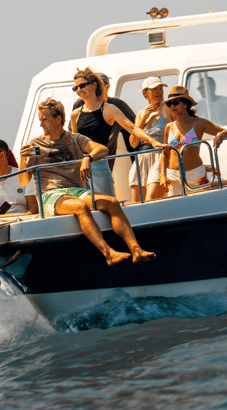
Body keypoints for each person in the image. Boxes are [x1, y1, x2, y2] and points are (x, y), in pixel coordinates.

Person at [21, 98, 155, 266]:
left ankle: (137, 250)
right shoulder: (36, 144)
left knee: (112, 202)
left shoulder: (75, 139)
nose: (41, 124)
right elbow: (24, 181)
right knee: (79, 206)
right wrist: (23, 159)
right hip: (50, 195)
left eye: (44, 119)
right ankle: (108, 253)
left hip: (75, 190)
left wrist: (87, 158)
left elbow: (103, 149)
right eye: (40, 119)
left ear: (58, 119)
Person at [69, 68, 163, 196]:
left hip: (100, 165)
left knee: (107, 205)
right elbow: (74, 144)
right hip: (81, 169)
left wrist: (152, 140)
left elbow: (132, 128)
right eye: (76, 88)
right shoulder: (75, 114)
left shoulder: (109, 109)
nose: (79, 90)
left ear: (94, 85)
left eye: (82, 85)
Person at [160, 86, 227, 197]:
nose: (172, 106)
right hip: (173, 177)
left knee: (204, 206)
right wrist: (162, 175)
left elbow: (226, 132)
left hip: (195, 175)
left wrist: (220, 136)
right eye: (169, 104)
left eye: (175, 102)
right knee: (177, 210)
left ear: (186, 104)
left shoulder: (199, 123)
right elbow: (164, 154)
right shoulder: (168, 127)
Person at [129, 77, 170, 202]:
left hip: (160, 156)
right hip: (142, 158)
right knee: (135, 202)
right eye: (154, 89)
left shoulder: (168, 109)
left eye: (160, 88)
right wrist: (143, 120)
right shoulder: (141, 113)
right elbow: (133, 143)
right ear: (145, 93)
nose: (159, 91)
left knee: (151, 199)